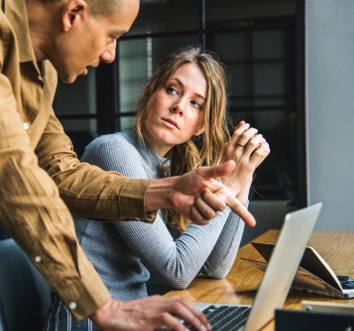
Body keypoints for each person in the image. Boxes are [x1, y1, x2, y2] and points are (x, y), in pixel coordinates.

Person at [0, 0, 257, 330]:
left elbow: (60, 171)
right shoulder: (114, 148)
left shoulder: (40, 69)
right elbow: (17, 178)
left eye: (195, 104)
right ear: (73, 15)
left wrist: (164, 190)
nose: (110, 54)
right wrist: (102, 307)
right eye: (112, 35)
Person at [44, 47, 270, 330]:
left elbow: (215, 268)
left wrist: (243, 177)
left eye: (196, 104)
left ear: (200, 126)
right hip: (88, 321)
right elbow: (178, 270)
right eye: (173, 90)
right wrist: (227, 186)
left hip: (134, 318)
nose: (179, 107)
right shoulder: (114, 151)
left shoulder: (167, 167)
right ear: (148, 93)